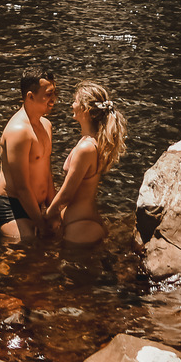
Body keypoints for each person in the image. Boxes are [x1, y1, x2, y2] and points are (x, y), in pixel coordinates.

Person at [45, 80, 127, 244]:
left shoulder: (86, 148)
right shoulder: (91, 141)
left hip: (81, 226)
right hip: (81, 222)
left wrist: (46, 217)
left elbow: (67, 195)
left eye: (75, 101)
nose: (72, 105)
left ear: (85, 110)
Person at [0, 64, 58, 242]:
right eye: (49, 95)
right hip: (11, 207)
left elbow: (47, 173)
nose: (54, 99)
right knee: (28, 246)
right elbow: (21, 187)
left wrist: (53, 210)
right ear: (30, 96)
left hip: (35, 207)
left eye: (54, 93)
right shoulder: (18, 131)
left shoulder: (46, 125)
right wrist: (40, 224)